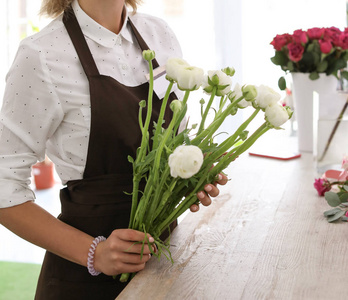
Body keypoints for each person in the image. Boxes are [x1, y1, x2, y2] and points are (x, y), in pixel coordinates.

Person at [0, 0, 227, 299]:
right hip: (84, 281)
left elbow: (172, 144)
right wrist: (95, 253)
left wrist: (192, 172)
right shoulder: (42, 54)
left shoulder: (158, 33)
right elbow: (4, 188)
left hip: (163, 264)